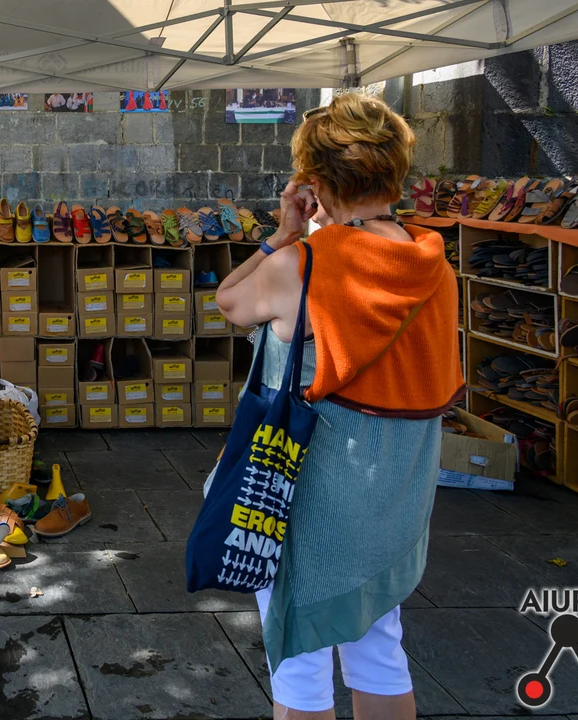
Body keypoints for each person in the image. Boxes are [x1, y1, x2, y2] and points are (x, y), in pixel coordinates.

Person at [214, 93, 463, 720]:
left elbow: (228, 301)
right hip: (397, 493)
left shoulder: (302, 265)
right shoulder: (435, 265)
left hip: (310, 492)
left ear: (316, 181)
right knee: (380, 651)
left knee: (299, 665)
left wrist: (283, 234)